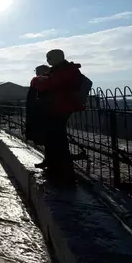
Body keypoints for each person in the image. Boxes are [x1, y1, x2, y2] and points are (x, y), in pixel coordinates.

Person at [31, 49, 85, 186]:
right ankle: (54, 167)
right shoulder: (60, 69)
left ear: (56, 58)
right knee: (53, 139)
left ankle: (65, 174)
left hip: (60, 108)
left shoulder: (65, 70)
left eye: (49, 57)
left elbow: (47, 84)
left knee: (58, 141)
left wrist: (37, 79)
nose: (48, 60)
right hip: (55, 108)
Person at [25, 65, 50, 149]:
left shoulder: (38, 80)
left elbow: (33, 97)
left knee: (45, 135)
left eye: (37, 71)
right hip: (44, 110)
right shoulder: (50, 80)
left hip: (40, 110)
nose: (36, 73)